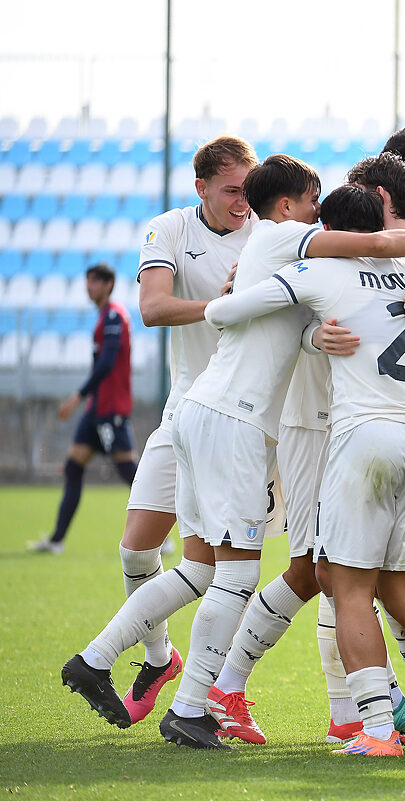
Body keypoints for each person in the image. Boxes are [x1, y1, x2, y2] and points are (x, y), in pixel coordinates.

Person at [201, 183, 405, 758]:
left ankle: (376, 730)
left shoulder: (321, 271)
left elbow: (226, 312)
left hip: (363, 439)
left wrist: (296, 325)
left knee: (350, 588)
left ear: (336, 233)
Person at [61, 136, 258, 730]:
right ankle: (159, 659)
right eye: (231, 190)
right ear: (201, 188)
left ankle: (210, 690)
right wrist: (221, 306)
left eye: (249, 190)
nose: (241, 202)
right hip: (183, 411)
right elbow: (153, 307)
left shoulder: (263, 236)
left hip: (238, 420)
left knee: (215, 566)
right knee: (136, 546)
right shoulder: (168, 228)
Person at [30, 264, 136, 554]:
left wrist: (77, 395)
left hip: (110, 407)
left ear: (108, 284)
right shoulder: (104, 317)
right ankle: (57, 540)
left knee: (130, 472)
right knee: (74, 467)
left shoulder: (114, 316)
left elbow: (106, 364)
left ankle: (161, 538)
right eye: (87, 280)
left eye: (94, 281)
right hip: (96, 409)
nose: (88, 286)